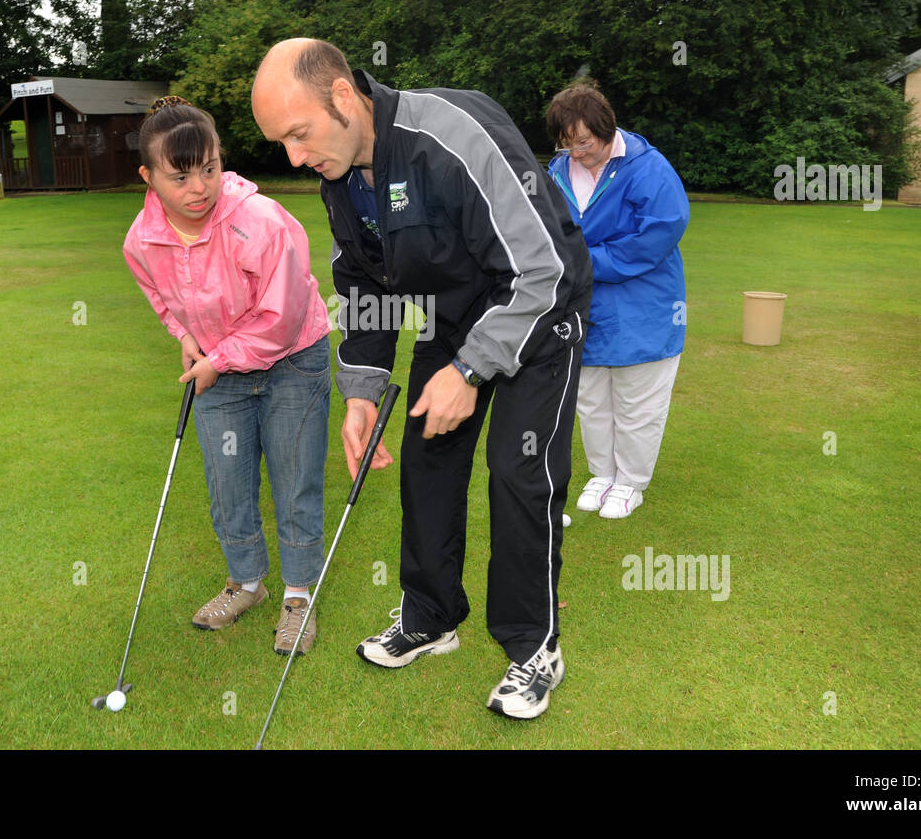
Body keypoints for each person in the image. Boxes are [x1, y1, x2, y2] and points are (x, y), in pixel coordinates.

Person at [251, 39, 592, 719]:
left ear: (343, 99)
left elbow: (540, 269)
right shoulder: (340, 176)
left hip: (537, 312)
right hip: (452, 318)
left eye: (298, 134)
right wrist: (360, 393)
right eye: (279, 143)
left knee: (518, 475)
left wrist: (469, 370)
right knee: (425, 463)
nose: (293, 157)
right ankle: (431, 617)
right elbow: (363, 285)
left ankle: (534, 649)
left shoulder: (451, 136)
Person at [122, 96, 332, 655]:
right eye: (180, 175)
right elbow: (161, 298)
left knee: (295, 478)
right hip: (218, 367)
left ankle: (296, 596)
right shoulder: (140, 241)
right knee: (227, 482)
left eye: (209, 168)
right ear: (148, 176)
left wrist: (215, 359)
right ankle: (246, 584)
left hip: (293, 361)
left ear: (221, 160)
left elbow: (282, 316)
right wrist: (186, 338)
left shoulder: (260, 222)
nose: (199, 187)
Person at [544, 79, 689, 520]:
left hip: (643, 308)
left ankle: (631, 483)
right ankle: (602, 475)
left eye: (584, 142)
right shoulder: (557, 170)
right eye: (568, 145)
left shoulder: (650, 169)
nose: (578, 153)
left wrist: (582, 260)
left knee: (637, 403)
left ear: (606, 129)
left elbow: (658, 234)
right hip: (583, 308)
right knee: (589, 399)